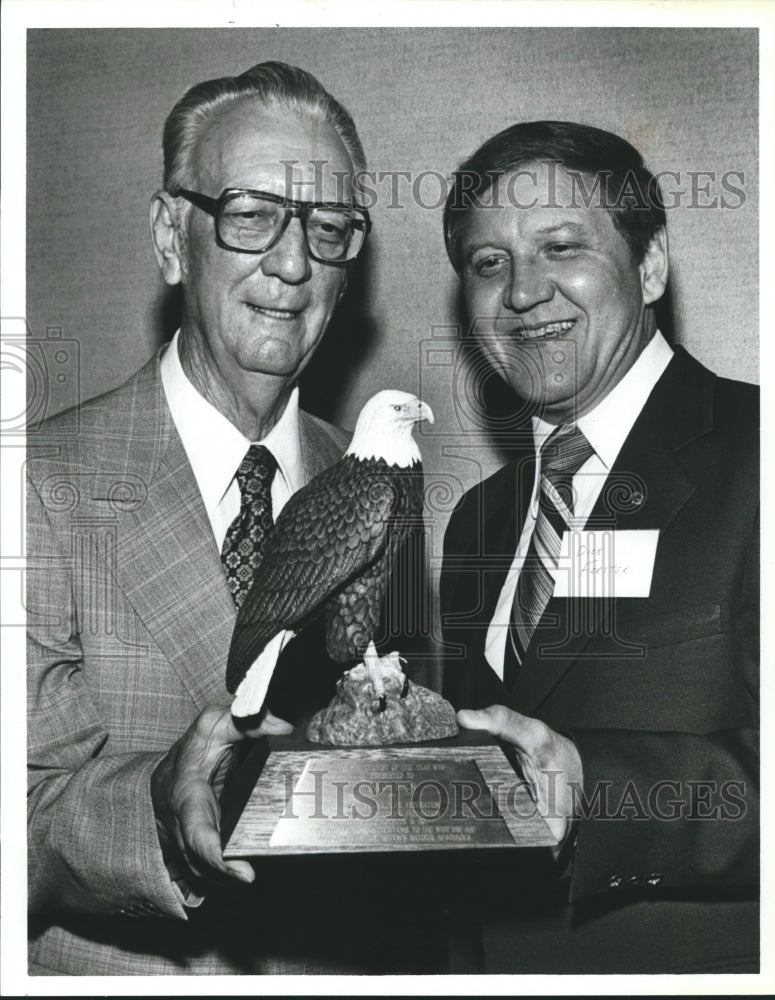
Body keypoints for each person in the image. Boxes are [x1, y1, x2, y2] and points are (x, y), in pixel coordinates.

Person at [26, 61, 437, 976]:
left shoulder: (389, 488)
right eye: (250, 214)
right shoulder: (34, 484)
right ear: (174, 238)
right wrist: (164, 809)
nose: (292, 263)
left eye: (328, 229)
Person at [439, 121, 759, 974]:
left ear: (649, 265)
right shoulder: (477, 521)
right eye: (489, 263)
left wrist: (594, 787)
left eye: (561, 247)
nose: (523, 293)